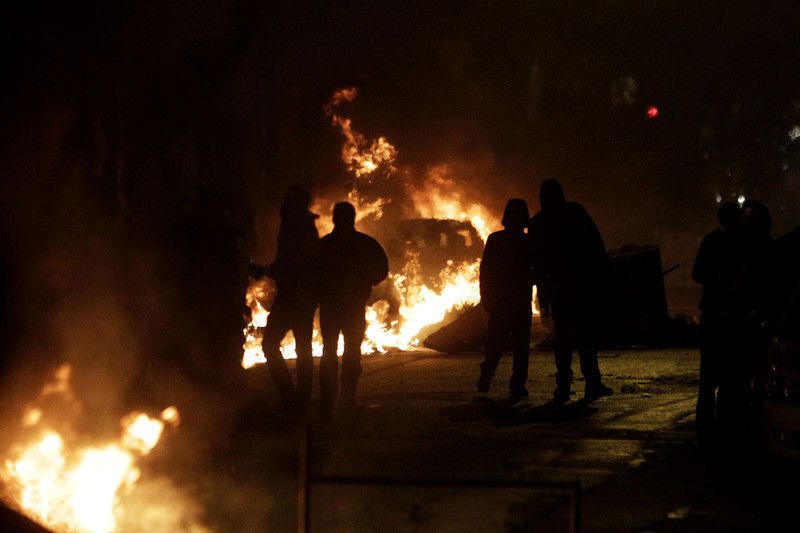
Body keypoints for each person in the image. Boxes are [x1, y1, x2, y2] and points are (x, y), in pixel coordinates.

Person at [528, 178, 613, 403]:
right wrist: (602, 278)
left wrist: (543, 296)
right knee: (586, 337)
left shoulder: (538, 222)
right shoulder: (575, 212)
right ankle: (592, 383)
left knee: (563, 339)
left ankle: (563, 387)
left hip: (559, 288)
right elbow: (596, 245)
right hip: (582, 286)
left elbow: (535, 263)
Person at [250, 187, 319, 411]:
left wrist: (266, 271)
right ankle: (299, 397)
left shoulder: (297, 228)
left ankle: (294, 397)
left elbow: (293, 263)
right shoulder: (300, 226)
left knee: (272, 344)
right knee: (302, 346)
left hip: (294, 296)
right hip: (300, 295)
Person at [317, 201, 388, 413]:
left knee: (329, 351)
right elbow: (381, 269)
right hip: (353, 306)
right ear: (352, 218)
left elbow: (312, 274)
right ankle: (346, 401)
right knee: (351, 352)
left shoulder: (325, 244)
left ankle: (327, 402)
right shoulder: (365, 243)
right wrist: (367, 282)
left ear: (334, 219)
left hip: (331, 306)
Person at [692, 201, 740, 451]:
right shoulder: (734, 243)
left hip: (720, 316)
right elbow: (699, 273)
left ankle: (710, 433)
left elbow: (698, 274)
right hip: (722, 317)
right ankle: (714, 433)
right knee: (718, 379)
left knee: (713, 379)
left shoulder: (717, 241)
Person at [477, 199, 533, 401]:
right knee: (520, 347)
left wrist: (486, 297)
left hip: (502, 301)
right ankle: (517, 385)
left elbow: (486, 272)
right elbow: (533, 270)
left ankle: (488, 373)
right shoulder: (527, 242)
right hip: (518, 301)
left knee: (496, 343)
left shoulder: (496, 239)